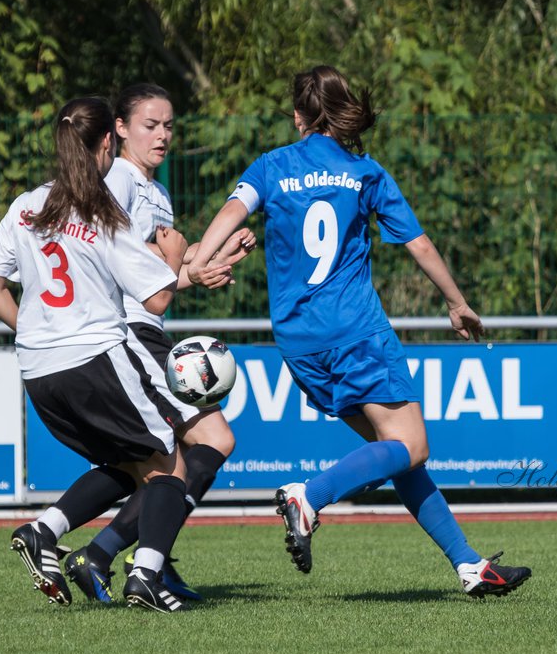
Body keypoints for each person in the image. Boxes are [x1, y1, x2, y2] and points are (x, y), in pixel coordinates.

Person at [187, 65, 531, 599]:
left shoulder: (270, 166)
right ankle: (310, 495)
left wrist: (198, 265)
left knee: (396, 451)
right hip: (356, 332)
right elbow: (417, 243)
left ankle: (469, 565)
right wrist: (457, 302)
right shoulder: (363, 171)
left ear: (299, 116)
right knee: (412, 445)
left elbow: (232, 211)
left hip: (300, 344)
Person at [0, 96, 231, 613]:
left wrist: (36, 330)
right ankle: (146, 578)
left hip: (38, 371)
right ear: (107, 143)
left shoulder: (25, 205)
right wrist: (177, 256)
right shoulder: (100, 210)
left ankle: (43, 532)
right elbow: (156, 298)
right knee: (168, 466)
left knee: (124, 463)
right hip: (94, 357)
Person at [62, 83, 255, 603]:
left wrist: (215, 261)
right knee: (210, 443)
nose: (163, 135)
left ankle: (120, 556)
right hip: (129, 332)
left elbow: (167, 273)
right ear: (119, 129)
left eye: (169, 125)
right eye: (151, 125)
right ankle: (122, 557)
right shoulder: (118, 181)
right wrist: (182, 264)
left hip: (151, 331)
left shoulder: (157, 191)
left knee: (181, 456)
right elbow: (112, 260)